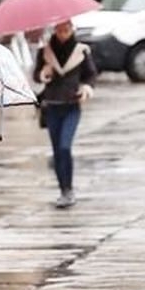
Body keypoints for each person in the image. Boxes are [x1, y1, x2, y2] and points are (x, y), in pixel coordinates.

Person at [33, 19, 97, 209]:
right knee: (56, 152)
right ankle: (63, 190)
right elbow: (36, 75)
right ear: (55, 30)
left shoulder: (81, 51)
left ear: (71, 30)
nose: (63, 33)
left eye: (66, 30)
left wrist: (86, 88)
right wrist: (44, 72)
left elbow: (91, 74)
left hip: (71, 106)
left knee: (64, 147)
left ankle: (69, 189)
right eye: (60, 30)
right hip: (52, 106)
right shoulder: (45, 52)